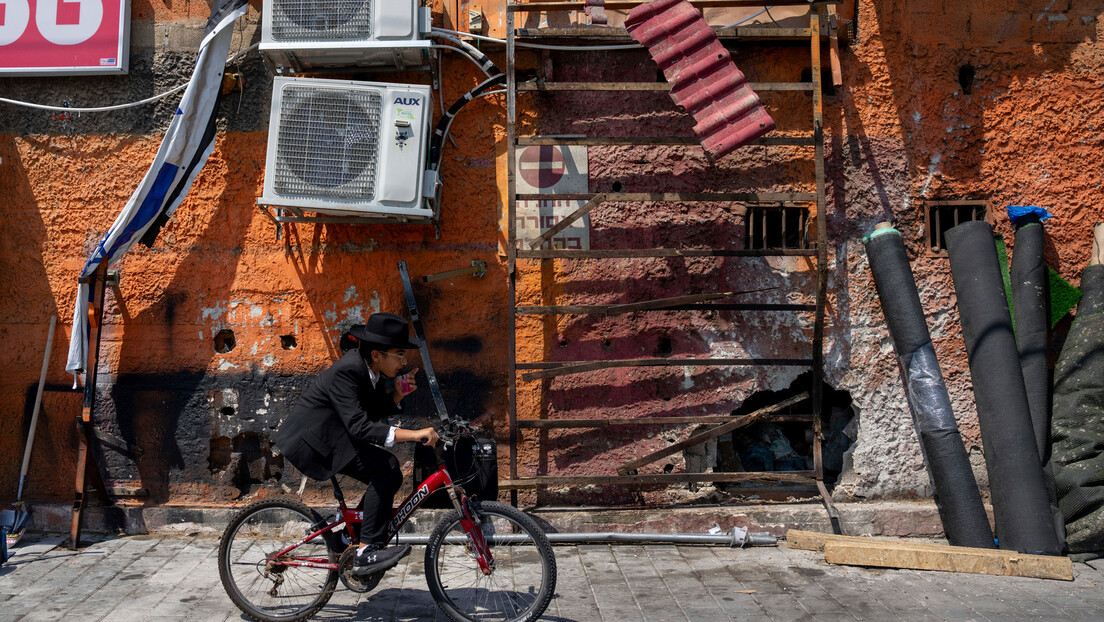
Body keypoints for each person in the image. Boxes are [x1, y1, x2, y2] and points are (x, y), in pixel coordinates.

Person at [274, 312, 439, 576]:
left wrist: (398, 393)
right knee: (386, 468)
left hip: (337, 436)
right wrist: (414, 433)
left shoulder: (368, 371)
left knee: (388, 471)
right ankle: (365, 552)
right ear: (377, 355)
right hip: (317, 444)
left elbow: (367, 414)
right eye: (399, 354)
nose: (405, 361)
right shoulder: (349, 371)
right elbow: (360, 427)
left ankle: (343, 541)